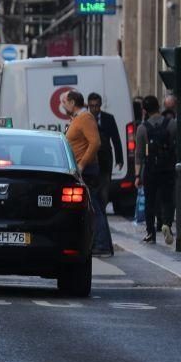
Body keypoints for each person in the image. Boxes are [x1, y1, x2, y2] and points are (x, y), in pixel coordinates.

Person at [61, 90, 111, 256]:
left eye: (65, 102)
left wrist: (82, 165)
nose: (63, 105)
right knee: (93, 207)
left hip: (87, 170)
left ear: (73, 102)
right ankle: (102, 243)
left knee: (94, 206)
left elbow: (95, 143)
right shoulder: (78, 118)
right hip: (81, 169)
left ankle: (102, 245)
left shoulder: (85, 118)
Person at [135, 95, 175, 244]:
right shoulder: (171, 124)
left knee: (150, 201)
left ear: (144, 110)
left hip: (150, 169)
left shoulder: (142, 128)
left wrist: (137, 176)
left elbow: (139, 154)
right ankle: (167, 224)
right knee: (167, 199)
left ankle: (151, 232)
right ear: (159, 106)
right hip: (168, 168)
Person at [87, 92, 124, 225]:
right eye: (92, 106)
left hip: (105, 160)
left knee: (104, 189)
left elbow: (116, 138)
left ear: (100, 105)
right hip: (90, 160)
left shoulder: (108, 118)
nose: (94, 109)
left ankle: (101, 216)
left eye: (97, 106)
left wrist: (120, 158)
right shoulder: (85, 119)